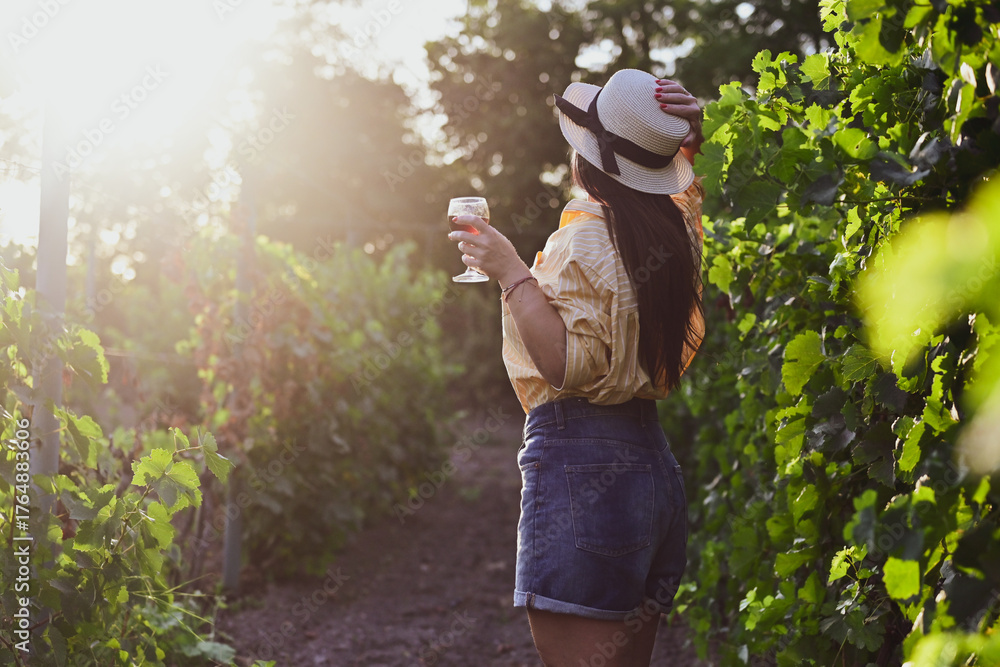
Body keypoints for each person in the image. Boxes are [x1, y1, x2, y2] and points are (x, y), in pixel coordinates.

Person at [447, 69, 706, 667]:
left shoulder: (583, 240)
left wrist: (512, 271)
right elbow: (685, 194)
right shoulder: (675, 235)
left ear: (587, 159)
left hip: (581, 461)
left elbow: (566, 366)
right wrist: (685, 134)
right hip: (651, 466)